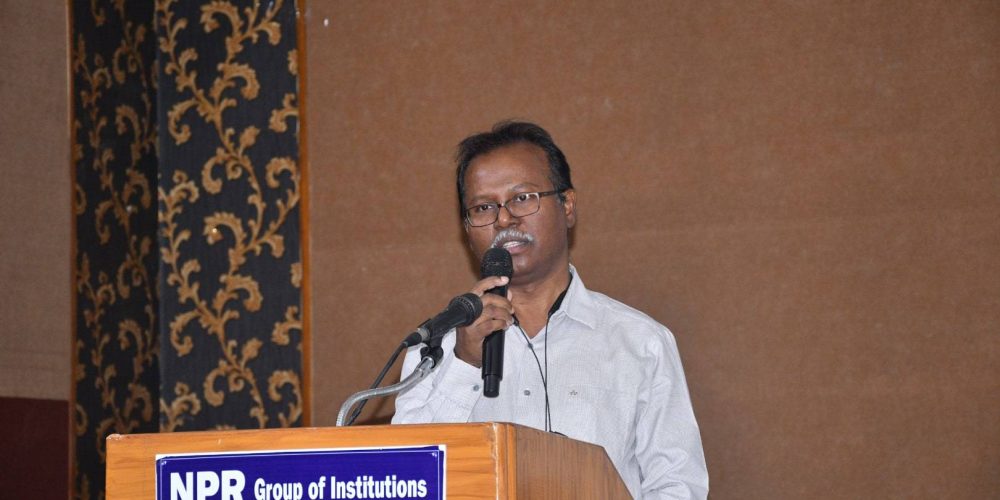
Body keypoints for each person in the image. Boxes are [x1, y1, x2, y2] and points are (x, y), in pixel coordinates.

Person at [392, 121, 709, 498]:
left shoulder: (640, 342)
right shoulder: (435, 347)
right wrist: (464, 363)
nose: (504, 219)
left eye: (523, 198)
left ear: (567, 205)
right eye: (483, 207)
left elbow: (677, 486)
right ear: (467, 228)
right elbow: (406, 479)